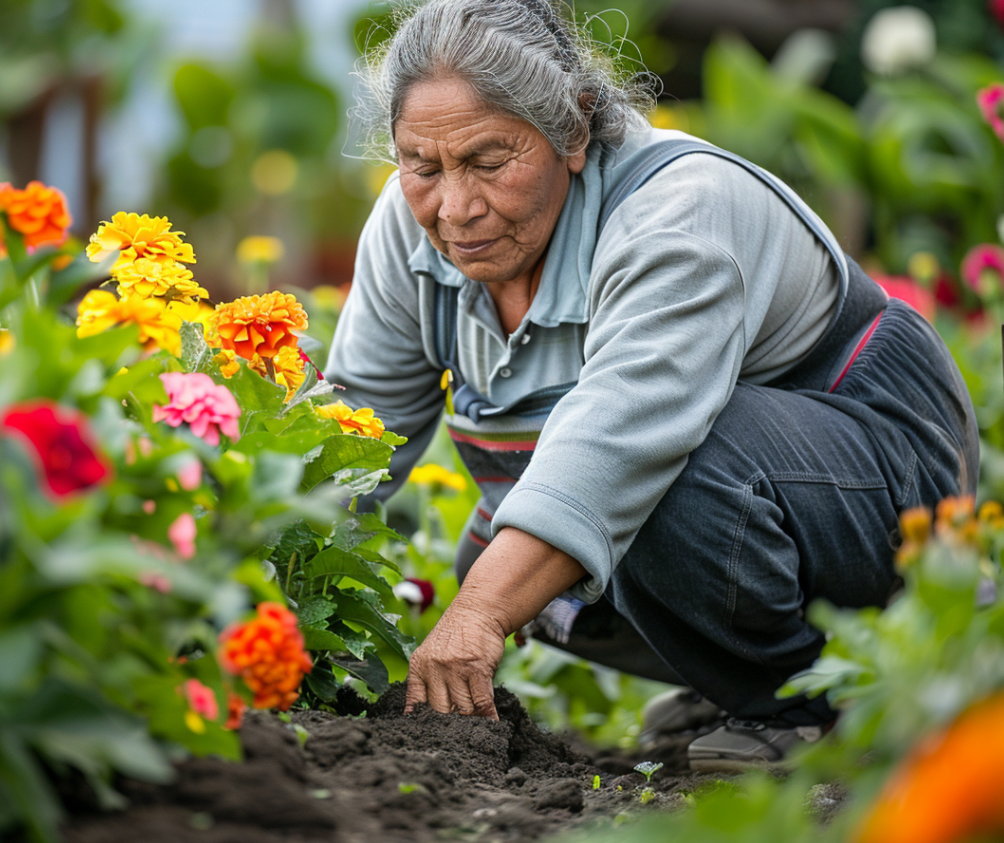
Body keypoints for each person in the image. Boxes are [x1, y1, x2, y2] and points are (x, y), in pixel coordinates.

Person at [325, 0, 978, 770]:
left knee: (618, 499)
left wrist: (478, 615)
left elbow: (620, 437)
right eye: (422, 166)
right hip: (746, 482)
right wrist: (272, 584)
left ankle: (818, 700)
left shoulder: (676, 213)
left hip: (890, 490)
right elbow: (354, 433)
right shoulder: (410, 229)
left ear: (573, 129)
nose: (456, 207)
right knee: (501, 549)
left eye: (489, 162)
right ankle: (735, 671)